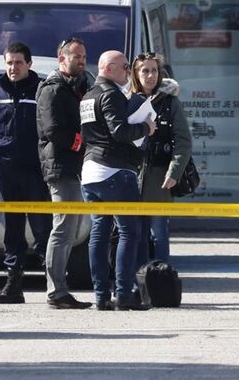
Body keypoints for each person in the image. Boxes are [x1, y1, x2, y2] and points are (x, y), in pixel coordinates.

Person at [0, 42, 52, 304]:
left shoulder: (41, 90)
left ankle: (54, 284)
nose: (13, 68)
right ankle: (13, 285)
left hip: (35, 171)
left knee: (43, 228)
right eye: (9, 63)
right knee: (12, 230)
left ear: (29, 64)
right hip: (5, 170)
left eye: (18, 63)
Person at [79, 50, 155, 311]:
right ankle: (123, 294)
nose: (128, 72)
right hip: (114, 171)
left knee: (99, 234)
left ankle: (101, 296)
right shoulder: (110, 94)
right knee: (128, 232)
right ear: (109, 68)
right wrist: (146, 128)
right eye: (124, 67)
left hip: (90, 172)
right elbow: (120, 132)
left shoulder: (88, 96)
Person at [36, 37, 94, 310]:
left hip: (76, 166)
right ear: (62, 59)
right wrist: (84, 144)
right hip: (61, 167)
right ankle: (56, 291)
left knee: (70, 230)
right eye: (76, 56)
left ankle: (59, 289)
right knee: (63, 229)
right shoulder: (53, 89)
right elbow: (54, 131)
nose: (82, 61)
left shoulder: (81, 86)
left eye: (84, 56)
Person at [129, 53, 192, 265]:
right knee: (135, 233)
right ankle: (138, 276)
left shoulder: (170, 102)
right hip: (131, 173)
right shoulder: (126, 99)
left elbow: (183, 140)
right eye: (145, 71)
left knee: (159, 232)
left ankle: (160, 276)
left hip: (159, 175)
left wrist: (174, 172)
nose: (150, 76)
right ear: (136, 74)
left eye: (154, 70)